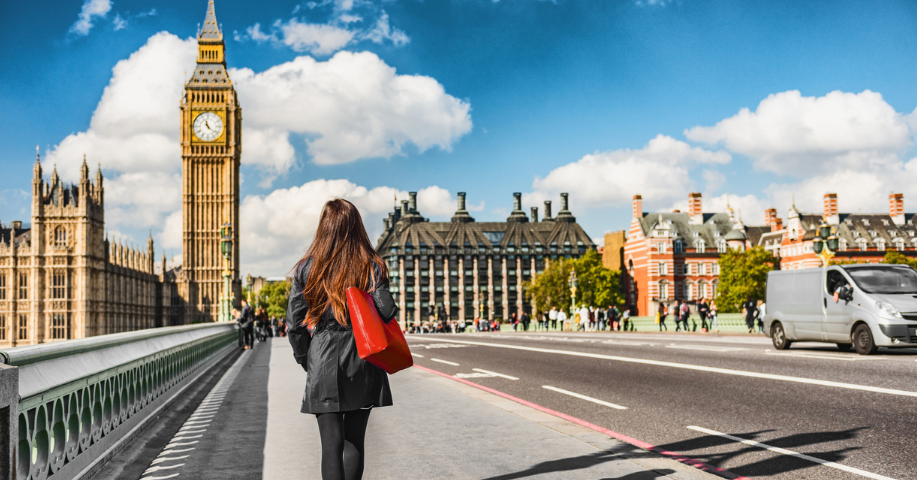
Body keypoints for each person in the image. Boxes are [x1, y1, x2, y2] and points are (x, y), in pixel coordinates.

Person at [286, 199, 398, 480]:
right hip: (362, 357)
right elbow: (387, 312)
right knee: (354, 442)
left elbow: (294, 325)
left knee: (330, 445)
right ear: (356, 227)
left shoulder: (305, 269)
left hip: (322, 355)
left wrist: (307, 359)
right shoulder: (372, 266)